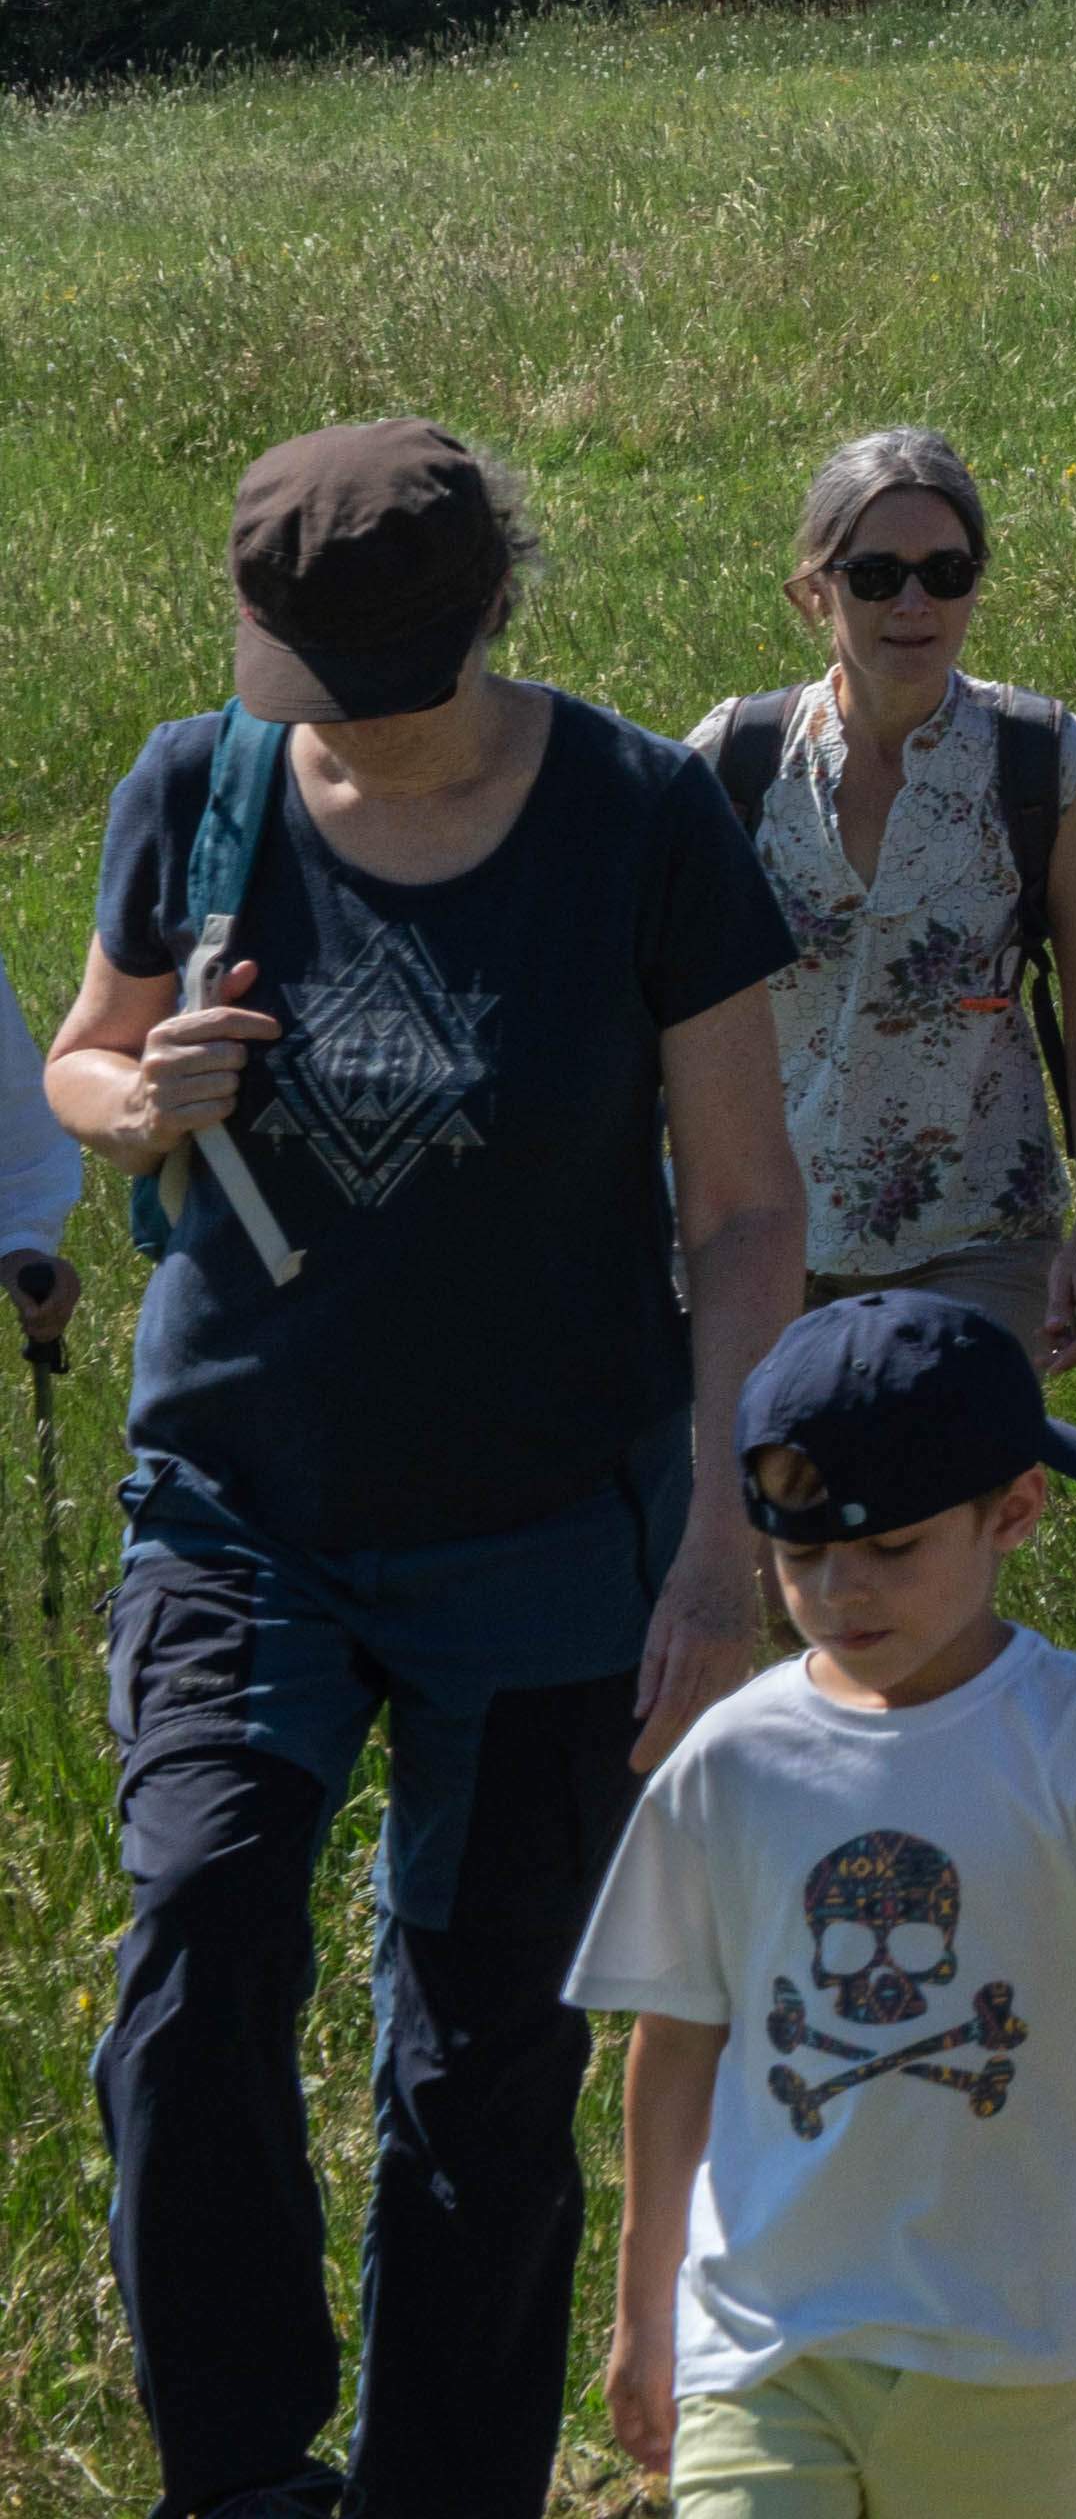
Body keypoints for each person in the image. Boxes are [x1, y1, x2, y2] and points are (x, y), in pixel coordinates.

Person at [64, 425, 807, 2519]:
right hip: (239, 1506)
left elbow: (749, 1213)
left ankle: (442, 2493)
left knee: (485, 2062)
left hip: (548, 1539)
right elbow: (82, 1054)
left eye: (388, 686)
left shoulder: (639, 819)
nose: (354, 738)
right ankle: (242, 2477)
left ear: (494, 614)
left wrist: (717, 1549)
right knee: (199, 1951)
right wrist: (144, 1101)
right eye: (319, 692)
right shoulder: (195, 786)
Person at [578, 1297, 1076, 2519]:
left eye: (894, 1551)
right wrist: (647, 2316)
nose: (841, 1593)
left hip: (1005, 2345)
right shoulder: (733, 1759)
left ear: (1014, 1510)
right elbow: (678, 2040)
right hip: (762, 2340)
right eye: (799, 1559)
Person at [691, 427, 1076, 1360]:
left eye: (946, 572)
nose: (912, 602)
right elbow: (648, 1004)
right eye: (874, 574)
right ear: (813, 590)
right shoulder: (736, 759)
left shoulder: (1047, 762)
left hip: (977, 1241)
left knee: (942, 1506)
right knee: (765, 1504)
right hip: (758, 1239)